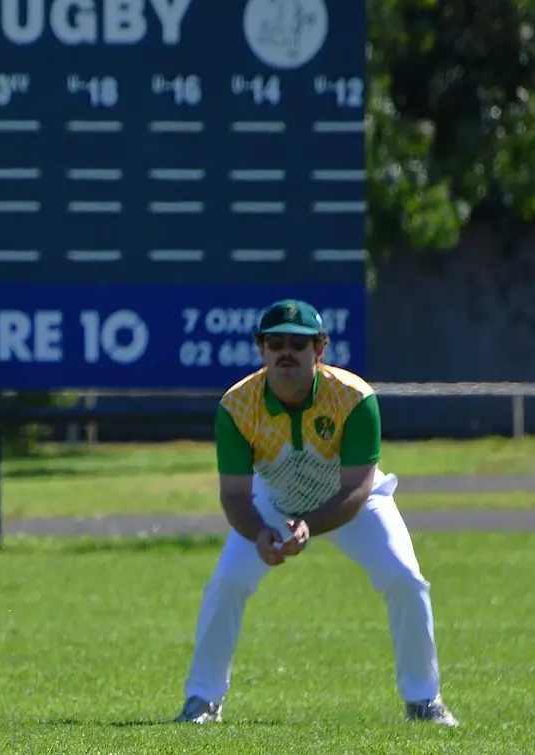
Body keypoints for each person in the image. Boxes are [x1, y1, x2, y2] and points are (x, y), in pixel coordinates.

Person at [174, 299, 458, 727]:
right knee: (227, 582)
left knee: (406, 578)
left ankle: (424, 701)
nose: (286, 351)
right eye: (275, 343)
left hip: (353, 502)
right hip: (275, 499)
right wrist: (259, 533)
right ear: (261, 349)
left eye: (299, 343)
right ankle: (202, 701)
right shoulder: (237, 406)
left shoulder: (354, 397)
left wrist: (310, 525)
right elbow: (234, 495)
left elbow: (358, 487)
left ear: (320, 347)